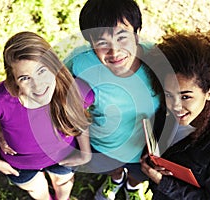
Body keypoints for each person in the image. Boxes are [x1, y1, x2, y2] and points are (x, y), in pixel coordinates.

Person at [63, 0, 164, 199]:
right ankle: (115, 179)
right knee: (110, 168)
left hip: (144, 151)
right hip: (102, 145)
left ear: (136, 33)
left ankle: (133, 187)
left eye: (122, 37)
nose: (114, 51)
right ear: (90, 43)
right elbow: (49, 90)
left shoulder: (158, 60)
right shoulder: (79, 64)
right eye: (102, 43)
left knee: (138, 175)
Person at [0, 31, 94, 200]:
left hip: (63, 156)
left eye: (42, 71)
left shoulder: (74, 91)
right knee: (36, 189)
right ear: (13, 80)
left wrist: (85, 152)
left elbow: (80, 120)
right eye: (25, 78)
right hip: (20, 163)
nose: (38, 85)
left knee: (63, 183)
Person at [140, 31, 210, 199]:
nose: (175, 106)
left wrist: (164, 182)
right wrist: (152, 162)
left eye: (186, 97)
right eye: (169, 95)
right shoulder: (165, 109)